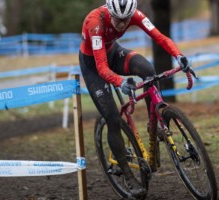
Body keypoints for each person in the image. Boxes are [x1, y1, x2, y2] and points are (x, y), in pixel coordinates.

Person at [79, 0, 191, 197]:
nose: (122, 24)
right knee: (113, 117)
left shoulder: (136, 15)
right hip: (93, 65)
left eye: (126, 20)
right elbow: (102, 68)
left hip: (113, 51)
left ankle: (153, 123)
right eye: (118, 20)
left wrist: (178, 55)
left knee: (148, 71)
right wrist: (120, 81)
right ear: (109, 12)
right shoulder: (94, 22)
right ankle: (129, 177)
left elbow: (160, 37)